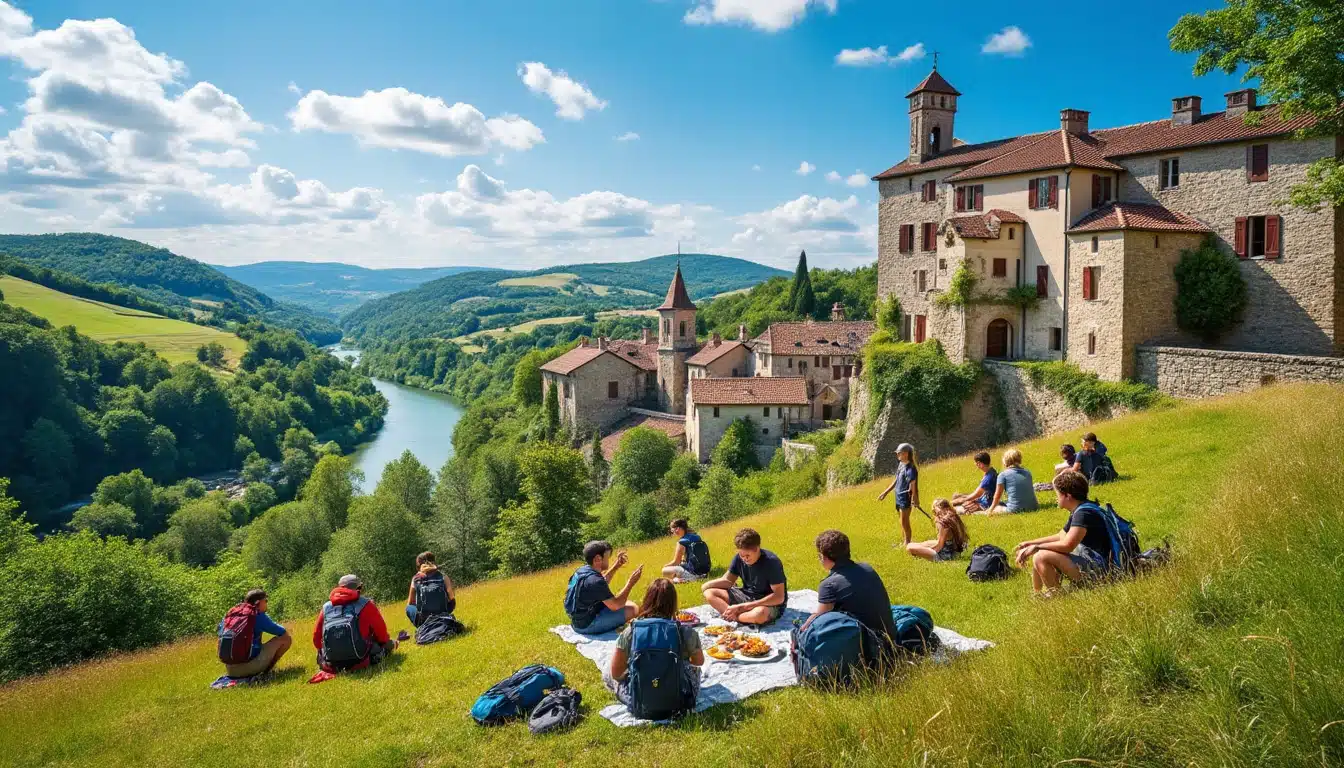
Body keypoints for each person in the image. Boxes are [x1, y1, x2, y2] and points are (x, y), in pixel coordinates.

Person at [606, 578, 704, 716]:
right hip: (679, 699)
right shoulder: (685, 632)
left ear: (647, 600)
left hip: (641, 702)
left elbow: (616, 673)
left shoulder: (631, 631)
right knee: (694, 671)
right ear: (673, 603)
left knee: (608, 672)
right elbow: (699, 661)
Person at [1012, 471, 1112, 596]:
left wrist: (1037, 547)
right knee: (1040, 553)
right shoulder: (1081, 509)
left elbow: (1067, 546)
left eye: (1058, 494)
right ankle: (1038, 594)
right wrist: (1029, 543)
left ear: (1068, 496)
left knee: (1040, 555)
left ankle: (1056, 596)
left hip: (1101, 570)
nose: (1056, 497)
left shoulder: (1083, 514)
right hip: (1093, 562)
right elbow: (1061, 536)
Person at [803, 530, 898, 651]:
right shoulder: (867, 568)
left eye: (819, 556)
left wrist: (805, 626)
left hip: (869, 649)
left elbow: (820, 622)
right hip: (891, 638)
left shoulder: (828, 585)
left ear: (825, 558)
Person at [702, 528, 787, 625]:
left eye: (747, 556)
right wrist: (706, 585)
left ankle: (734, 616)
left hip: (767, 603)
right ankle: (735, 615)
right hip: (747, 595)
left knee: (759, 614)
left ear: (757, 549)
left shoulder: (771, 562)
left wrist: (744, 607)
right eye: (741, 555)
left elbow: (779, 597)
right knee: (710, 593)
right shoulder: (739, 558)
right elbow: (728, 581)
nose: (744, 559)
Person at [313, 574, 397, 672]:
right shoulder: (366, 604)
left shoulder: (326, 607)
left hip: (332, 662)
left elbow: (316, 638)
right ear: (358, 588)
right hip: (360, 659)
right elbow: (382, 636)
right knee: (388, 644)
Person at [565, 540, 642, 635]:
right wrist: (631, 582)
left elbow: (601, 582)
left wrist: (616, 566)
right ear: (597, 559)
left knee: (628, 603)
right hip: (587, 625)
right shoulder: (594, 581)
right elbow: (616, 605)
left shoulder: (582, 570)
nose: (609, 560)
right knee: (634, 609)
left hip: (578, 620)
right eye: (607, 557)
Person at [218, 589, 291, 679]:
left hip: (230, 669)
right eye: (266, 601)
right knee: (286, 638)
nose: (266, 603)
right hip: (248, 667)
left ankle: (247, 670)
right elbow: (281, 631)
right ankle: (267, 672)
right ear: (258, 602)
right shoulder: (256, 615)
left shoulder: (232, 614)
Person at [877, 443, 920, 544]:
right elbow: (896, 480)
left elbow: (913, 485)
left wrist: (915, 498)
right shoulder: (901, 465)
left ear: (905, 454)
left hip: (906, 498)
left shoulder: (911, 468)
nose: (897, 455)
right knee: (901, 521)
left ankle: (908, 543)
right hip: (898, 496)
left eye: (899, 453)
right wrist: (885, 492)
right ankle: (904, 541)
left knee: (905, 522)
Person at [405, 551, 455, 627]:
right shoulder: (443, 576)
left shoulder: (415, 579)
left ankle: (422, 627)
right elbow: (452, 599)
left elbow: (410, 602)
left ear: (419, 565)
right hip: (443, 614)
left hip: (423, 619)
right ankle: (443, 617)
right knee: (450, 601)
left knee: (409, 608)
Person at [986, 448, 1039, 514]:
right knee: (1005, 502)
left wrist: (991, 509)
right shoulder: (1027, 472)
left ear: (1005, 461)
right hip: (1034, 506)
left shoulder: (1003, 475)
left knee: (997, 508)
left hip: (1016, 509)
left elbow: (997, 496)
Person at [661, 518, 711, 583]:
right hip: (705, 570)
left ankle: (684, 579)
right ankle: (698, 576)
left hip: (693, 572)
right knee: (682, 563)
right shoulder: (696, 536)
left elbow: (676, 562)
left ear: (677, 529)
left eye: (672, 529)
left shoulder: (681, 542)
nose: (671, 531)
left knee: (664, 570)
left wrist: (665, 566)